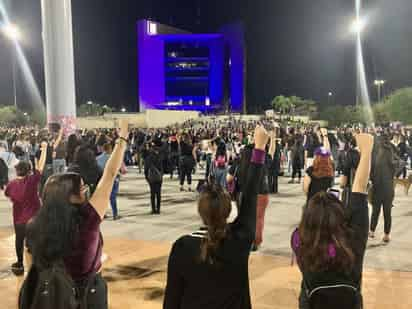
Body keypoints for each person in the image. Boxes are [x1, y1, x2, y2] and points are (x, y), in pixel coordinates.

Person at [23, 120, 129, 309]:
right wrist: (122, 137)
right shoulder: (88, 219)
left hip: (53, 296)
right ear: (70, 197)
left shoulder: (34, 225)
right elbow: (110, 173)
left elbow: (31, 269)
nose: (87, 191)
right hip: (89, 293)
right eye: (82, 189)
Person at [163, 125, 269, 309]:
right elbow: (251, 194)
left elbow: (171, 301)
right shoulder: (240, 239)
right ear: (228, 211)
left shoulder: (182, 247)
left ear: (201, 212)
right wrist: (259, 148)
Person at [292, 133, 374, 309]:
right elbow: (359, 192)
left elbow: (305, 189)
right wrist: (366, 152)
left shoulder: (299, 242)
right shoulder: (352, 243)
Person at [5, 141, 47, 275]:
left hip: (19, 220)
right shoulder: (32, 181)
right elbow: (41, 167)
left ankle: (19, 263)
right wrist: (44, 149)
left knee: (19, 240)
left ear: (16, 170)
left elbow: (8, 195)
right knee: (36, 241)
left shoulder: (11, 185)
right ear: (29, 171)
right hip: (35, 218)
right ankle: (37, 266)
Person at [369, 134, 397, 243]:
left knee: (375, 210)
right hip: (388, 187)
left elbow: (371, 170)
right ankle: (386, 234)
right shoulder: (390, 151)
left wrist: (372, 179)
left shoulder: (374, 153)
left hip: (377, 186)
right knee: (387, 211)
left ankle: (372, 231)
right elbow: (394, 167)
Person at [97, 143, 126, 220]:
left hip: (103, 179)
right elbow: (123, 170)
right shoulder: (115, 158)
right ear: (110, 149)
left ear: (103, 149)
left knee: (103, 197)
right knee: (112, 197)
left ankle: (102, 213)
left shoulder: (98, 158)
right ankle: (115, 214)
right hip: (114, 179)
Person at [144, 139, 164, 214]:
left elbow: (146, 168)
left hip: (151, 177)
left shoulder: (148, 158)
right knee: (158, 193)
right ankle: (158, 209)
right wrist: (161, 175)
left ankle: (153, 209)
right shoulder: (160, 157)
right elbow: (162, 167)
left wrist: (146, 177)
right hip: (159, 177)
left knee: (152, 194)